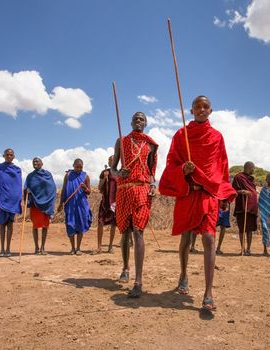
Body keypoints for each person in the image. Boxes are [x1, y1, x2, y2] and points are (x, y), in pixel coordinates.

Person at [159, 96, 236, 312]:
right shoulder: (181, 135)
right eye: (197, 107)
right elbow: (171, 162)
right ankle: (183, 274)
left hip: (208, 194)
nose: (201, 110)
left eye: (205, 107)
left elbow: (222, 165)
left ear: (211, 111)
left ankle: (208, 292)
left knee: (209, 238)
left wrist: (222, 193)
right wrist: (183, 169)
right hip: (188, 194)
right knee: (186, 237)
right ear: (191, 110)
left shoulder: (217, 137)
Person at [112, 112, 158, 298]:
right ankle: (125, 267)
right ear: (131, 122)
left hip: (142, 189)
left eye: (142, 119)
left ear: (145, 123)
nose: (138, 121)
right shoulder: (121, 141)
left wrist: (153, 185)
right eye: (135, 119)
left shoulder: (151, 145)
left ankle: (138, 281)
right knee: (125, 231)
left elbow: (151, 171)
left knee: (138, 230)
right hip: (124, 189)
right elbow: (113, 168)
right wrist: (118, 173)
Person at [57, 158, 92, 255]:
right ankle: (72, 248)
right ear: (73, 166)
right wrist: (61, 203)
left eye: (81, 167)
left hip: (81, 205)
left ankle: (78, 248)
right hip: (70, 205)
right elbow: (64, 189)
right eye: (77, 167)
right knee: (70, 225)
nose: (79, 169)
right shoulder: (68, 175)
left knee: (80, 225)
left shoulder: (85, 176)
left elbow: (89, 192)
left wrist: (85, 188)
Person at [25, 157, 56, 255]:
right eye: (33, 162)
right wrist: (27, 191)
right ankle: (36, 247)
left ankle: (42, 247)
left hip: (46, 204)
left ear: (42, 164)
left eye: (37, 161)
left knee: (45, 226)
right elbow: (26, 187)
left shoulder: (47, 174)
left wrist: (49, 200)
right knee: (35, 226)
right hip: (35, 204)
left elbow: (52, 188)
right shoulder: (30, 176)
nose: (35, 163)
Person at [232, 161, 258, 256]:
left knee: (250, 229)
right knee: (242, 229)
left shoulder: (252, 179)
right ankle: (242, 249)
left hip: (251, 207)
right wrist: (242, 191)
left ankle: (248, 249)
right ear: (249, 167)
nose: (254, 170)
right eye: (253, 168)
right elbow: (233, 191)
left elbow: (253, 190)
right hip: (242, 206)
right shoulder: (238, 177)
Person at [96, 156, 117, 254]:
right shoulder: (104, 172)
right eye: (109, 160)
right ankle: (99, 246)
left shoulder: (119, 173)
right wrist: (104, 178)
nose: (110, 162)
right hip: (105, 202)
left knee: (113, 224)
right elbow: (99, 188)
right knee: (100, 222)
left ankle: (110, 246)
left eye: (112, 160)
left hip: (114, 202)